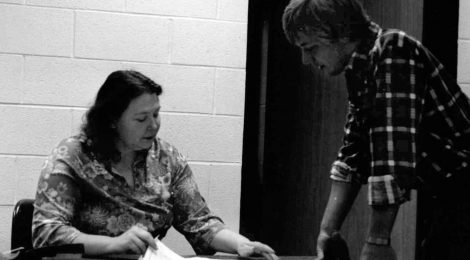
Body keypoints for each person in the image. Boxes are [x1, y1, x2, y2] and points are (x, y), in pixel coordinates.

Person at [282, 0, 470, 259]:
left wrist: (377, 240)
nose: (305, 60)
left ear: (343, 33)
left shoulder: (393, 48)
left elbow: (393, 153)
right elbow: (352, 155)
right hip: (449, 193)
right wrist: (327, 232)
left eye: (310, 48)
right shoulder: (360, 68)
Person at [32, 70, 278, 260]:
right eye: (141, 118)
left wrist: (240, 244)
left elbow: (200, 223)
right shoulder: (73, 155)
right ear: (111, 120)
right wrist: (114, 244)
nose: (153, 125)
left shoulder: (167, 158)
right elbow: (46, 233)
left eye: (156, 114)